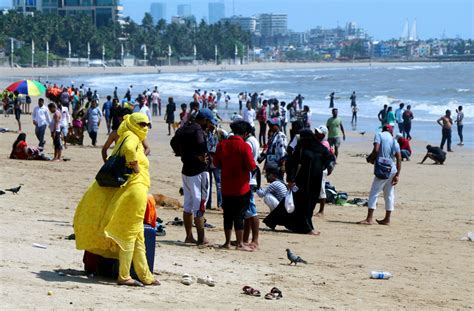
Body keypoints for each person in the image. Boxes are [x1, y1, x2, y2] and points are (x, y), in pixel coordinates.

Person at [74, 113, 160, 287]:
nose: (145, 127)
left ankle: (145, 275)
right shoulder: (131, 136)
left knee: (138, 236)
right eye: (141, 124)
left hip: (135, 190)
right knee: (129, 234)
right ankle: (124, 275)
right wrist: (135, 166)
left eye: (147, 125)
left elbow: (110, 150)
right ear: (133, 123)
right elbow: (129, 149)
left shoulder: (127, 134)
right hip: (135, 191)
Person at [264, 129, 333, 235]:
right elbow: (290, 164)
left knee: (306, 204)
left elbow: (330, 157)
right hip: (301, 182)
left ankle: (272, 221)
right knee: (302, 204)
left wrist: (327, 167)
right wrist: (290, 180)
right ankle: (307, 228)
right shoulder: (300, 149)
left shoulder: (320, 149)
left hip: (315, 182)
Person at [170, 108, 216, 245]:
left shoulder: (185, 128)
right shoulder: (198, 130)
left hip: (186, 170)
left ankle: (189, 236)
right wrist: (201, 155)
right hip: (199, 172)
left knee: (188, 206)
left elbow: (173, 142)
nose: (211, 125)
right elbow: (200, 142)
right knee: (200, 206)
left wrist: (182, 154)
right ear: (205, 121)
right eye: (210, 123)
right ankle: (202, 238)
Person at [213, 120, 256, 251]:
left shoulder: (222, 145)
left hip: (226, 185)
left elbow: (216, 163)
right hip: (241, 187)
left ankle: (227, 242)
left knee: (228, 214)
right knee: (239, 215)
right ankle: (239, 243)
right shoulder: (244, 146)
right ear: (245, 133)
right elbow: (251, 166)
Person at [359, 125, 401, 225]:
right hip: (392, 169)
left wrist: (370, 158)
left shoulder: (379, 135)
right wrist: (397, 175)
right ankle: (387, 219)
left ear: (383, 129)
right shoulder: (394, 140)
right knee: (389, 194)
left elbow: (376, 149)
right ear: (391, 131)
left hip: (382, 169)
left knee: (374, 192)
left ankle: (369, 219)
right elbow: (399, 158)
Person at [243, 124, 260, 249]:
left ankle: (255, 240)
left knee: (251, 211)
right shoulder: (254, 140)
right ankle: (245, 238)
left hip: (249, 179)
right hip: (252, 178)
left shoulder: (248, 143)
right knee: (247, 212)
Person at [314, 125, 336, 217]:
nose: (315, 134)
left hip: (322, 169)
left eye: (318, 133)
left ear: (323, 135)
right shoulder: (320, 142)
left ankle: (321, 211)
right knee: (316, 189)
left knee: (321, 189)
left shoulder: (324, 144)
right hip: (318, 168)